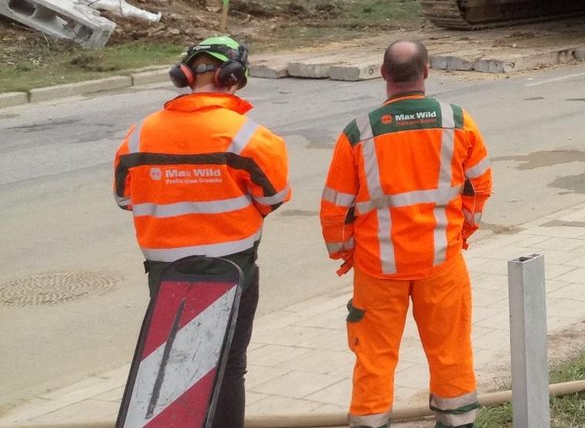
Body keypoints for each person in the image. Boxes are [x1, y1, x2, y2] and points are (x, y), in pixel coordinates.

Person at [113, 37, 290, 428]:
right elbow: (274, 196)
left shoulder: (140, 134)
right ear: (235, 77)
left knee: (172, 360)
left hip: (166, 274)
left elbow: (126, 198)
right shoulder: (247, 136)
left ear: (186, 76)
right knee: (228, 366)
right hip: (233, 269)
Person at [321, 40, 492, 428]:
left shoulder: (358, 133)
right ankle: (457, 421)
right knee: (450, 349)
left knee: (374, 356)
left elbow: (334, 210)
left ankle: (370, 423)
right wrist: (461, 233)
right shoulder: (458, 122)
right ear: (427, 71)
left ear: (383, 74)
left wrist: (346, 254)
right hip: (441, 263)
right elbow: (479, 186)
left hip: (377, 269)